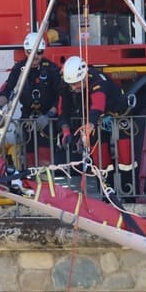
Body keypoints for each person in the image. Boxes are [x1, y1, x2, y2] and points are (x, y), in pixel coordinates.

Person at [59, 55, 136, 198]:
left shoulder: (97, 80)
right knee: (100, 158)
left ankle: (130, 195)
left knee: (126, 158)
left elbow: (97, 105)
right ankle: (106, 195)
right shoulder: (67, 84)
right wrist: (66, 132)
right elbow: (64, 111)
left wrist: (88, 129)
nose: (73, 88)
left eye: (76, 84)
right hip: (95, 120)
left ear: (83, 77)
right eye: (71, 84)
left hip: (117, 114)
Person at [0, 32, 61, 167]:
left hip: (47, 120)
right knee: (28, 159)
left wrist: (49, 115)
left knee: (45, 160)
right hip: (27, 119)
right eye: (31, 52)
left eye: (39, 52)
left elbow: (60, 96)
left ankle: (45, 180)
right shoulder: (19, 69)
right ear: (25, 51)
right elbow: (7, 88)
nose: (35, 56)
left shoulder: (51, 69)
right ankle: (30, 180)